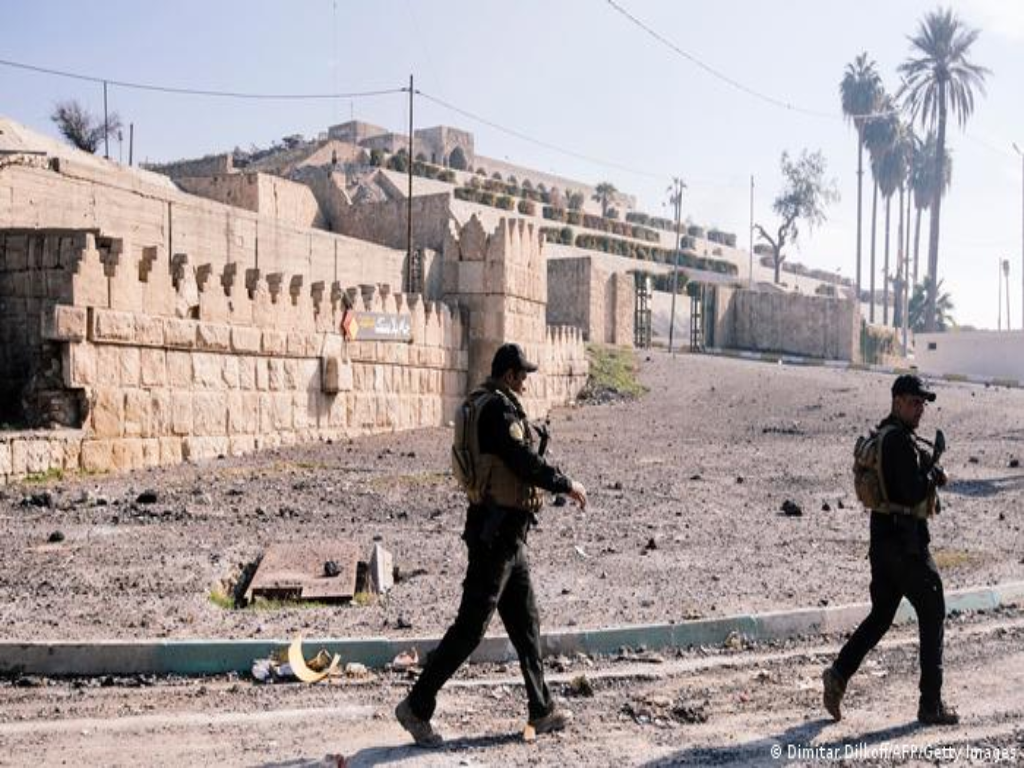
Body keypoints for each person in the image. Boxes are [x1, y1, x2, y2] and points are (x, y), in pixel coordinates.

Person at [395, 342, 588, 747]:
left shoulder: (492, 405)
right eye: (521, 376)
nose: (524, 384)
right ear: (507, 376)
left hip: (509, 537)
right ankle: (416, 706)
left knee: (526, 625)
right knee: (469, 629)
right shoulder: (498, 411)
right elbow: (521, 461)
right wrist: (565, 484)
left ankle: (542, 708)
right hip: (494, 538)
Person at [823, 374, 958, 726]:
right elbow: (911, 492)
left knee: (881, 616)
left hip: (883, 542)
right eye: (914, 402)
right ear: (897, 400)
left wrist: (929, 466)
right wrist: (932, 478)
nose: (920, 410)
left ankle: (838, 674)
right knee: (933, 610)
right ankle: (931, 705)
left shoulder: (887, 435)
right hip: (906, 545)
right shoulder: (897, 441)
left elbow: (904, 479)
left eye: (923, 404)